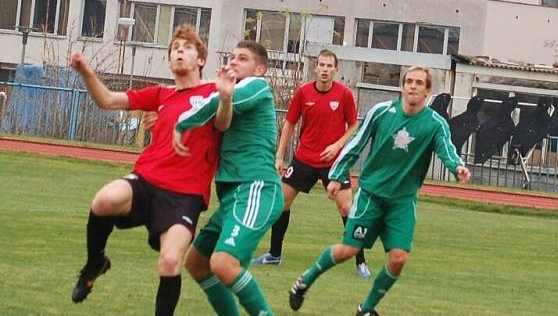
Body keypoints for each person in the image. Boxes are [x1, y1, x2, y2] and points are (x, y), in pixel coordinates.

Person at [288, 66, 471, 316]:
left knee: (399, 259)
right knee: (347, 251)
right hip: (371, 197)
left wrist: (457, 167)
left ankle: (366, 309)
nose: (413, 86)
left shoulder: (435, 123)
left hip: (402, 202)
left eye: (419, 83)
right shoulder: (382, 112)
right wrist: (336, 176)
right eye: (409, 81)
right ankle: (304, 282)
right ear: (403, 86)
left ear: (428, 91)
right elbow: (356, 144)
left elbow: (446, 150)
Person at [69, 25, 221, 316]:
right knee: (104, 200)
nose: (179, 51)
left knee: (169, 261)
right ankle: (95, 263)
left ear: (201, 59)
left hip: (185, 195)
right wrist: (86, 71)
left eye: (186, 47)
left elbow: (236, 109)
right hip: (147, 180)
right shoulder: (160, 95)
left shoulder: (215, 93)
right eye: (174, 47)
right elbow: (108, 101)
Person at [175, 41, 283, 316]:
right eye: (232, 57)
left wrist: (179, 122)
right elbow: (205, 98)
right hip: (234, 195)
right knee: (197, 262)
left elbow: (212, 102)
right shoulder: (228, 92)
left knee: (224, 264)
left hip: (256, 187)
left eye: (242, 59)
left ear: (260, 69)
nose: (234, 61)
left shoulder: (257, 86)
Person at [251, 49, 370, 278]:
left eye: (329, 66)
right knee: (281, 202)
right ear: (315, 67)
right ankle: (274, 255)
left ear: (336, 69)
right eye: (321, 65)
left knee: (346, 208)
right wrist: (279, 155)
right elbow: (290, 123)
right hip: (304, 158)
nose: (324, 70)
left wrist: (337, 146)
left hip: (333, 162)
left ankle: (361, 263)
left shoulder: (344, 94)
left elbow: (354, 126)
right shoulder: (303, 92)